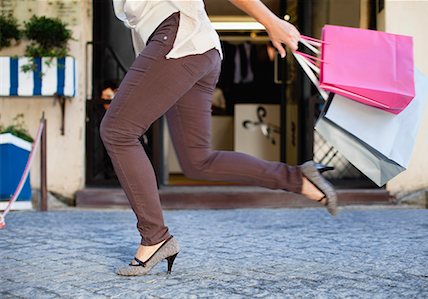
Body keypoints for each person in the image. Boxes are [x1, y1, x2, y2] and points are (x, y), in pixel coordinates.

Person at [101, 0, 337, 276]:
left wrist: (271, 21)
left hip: (178, 39)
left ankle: (154, 237)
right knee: (198, 161)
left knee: (117, 131)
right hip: (196, 47)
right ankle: (299, 178)